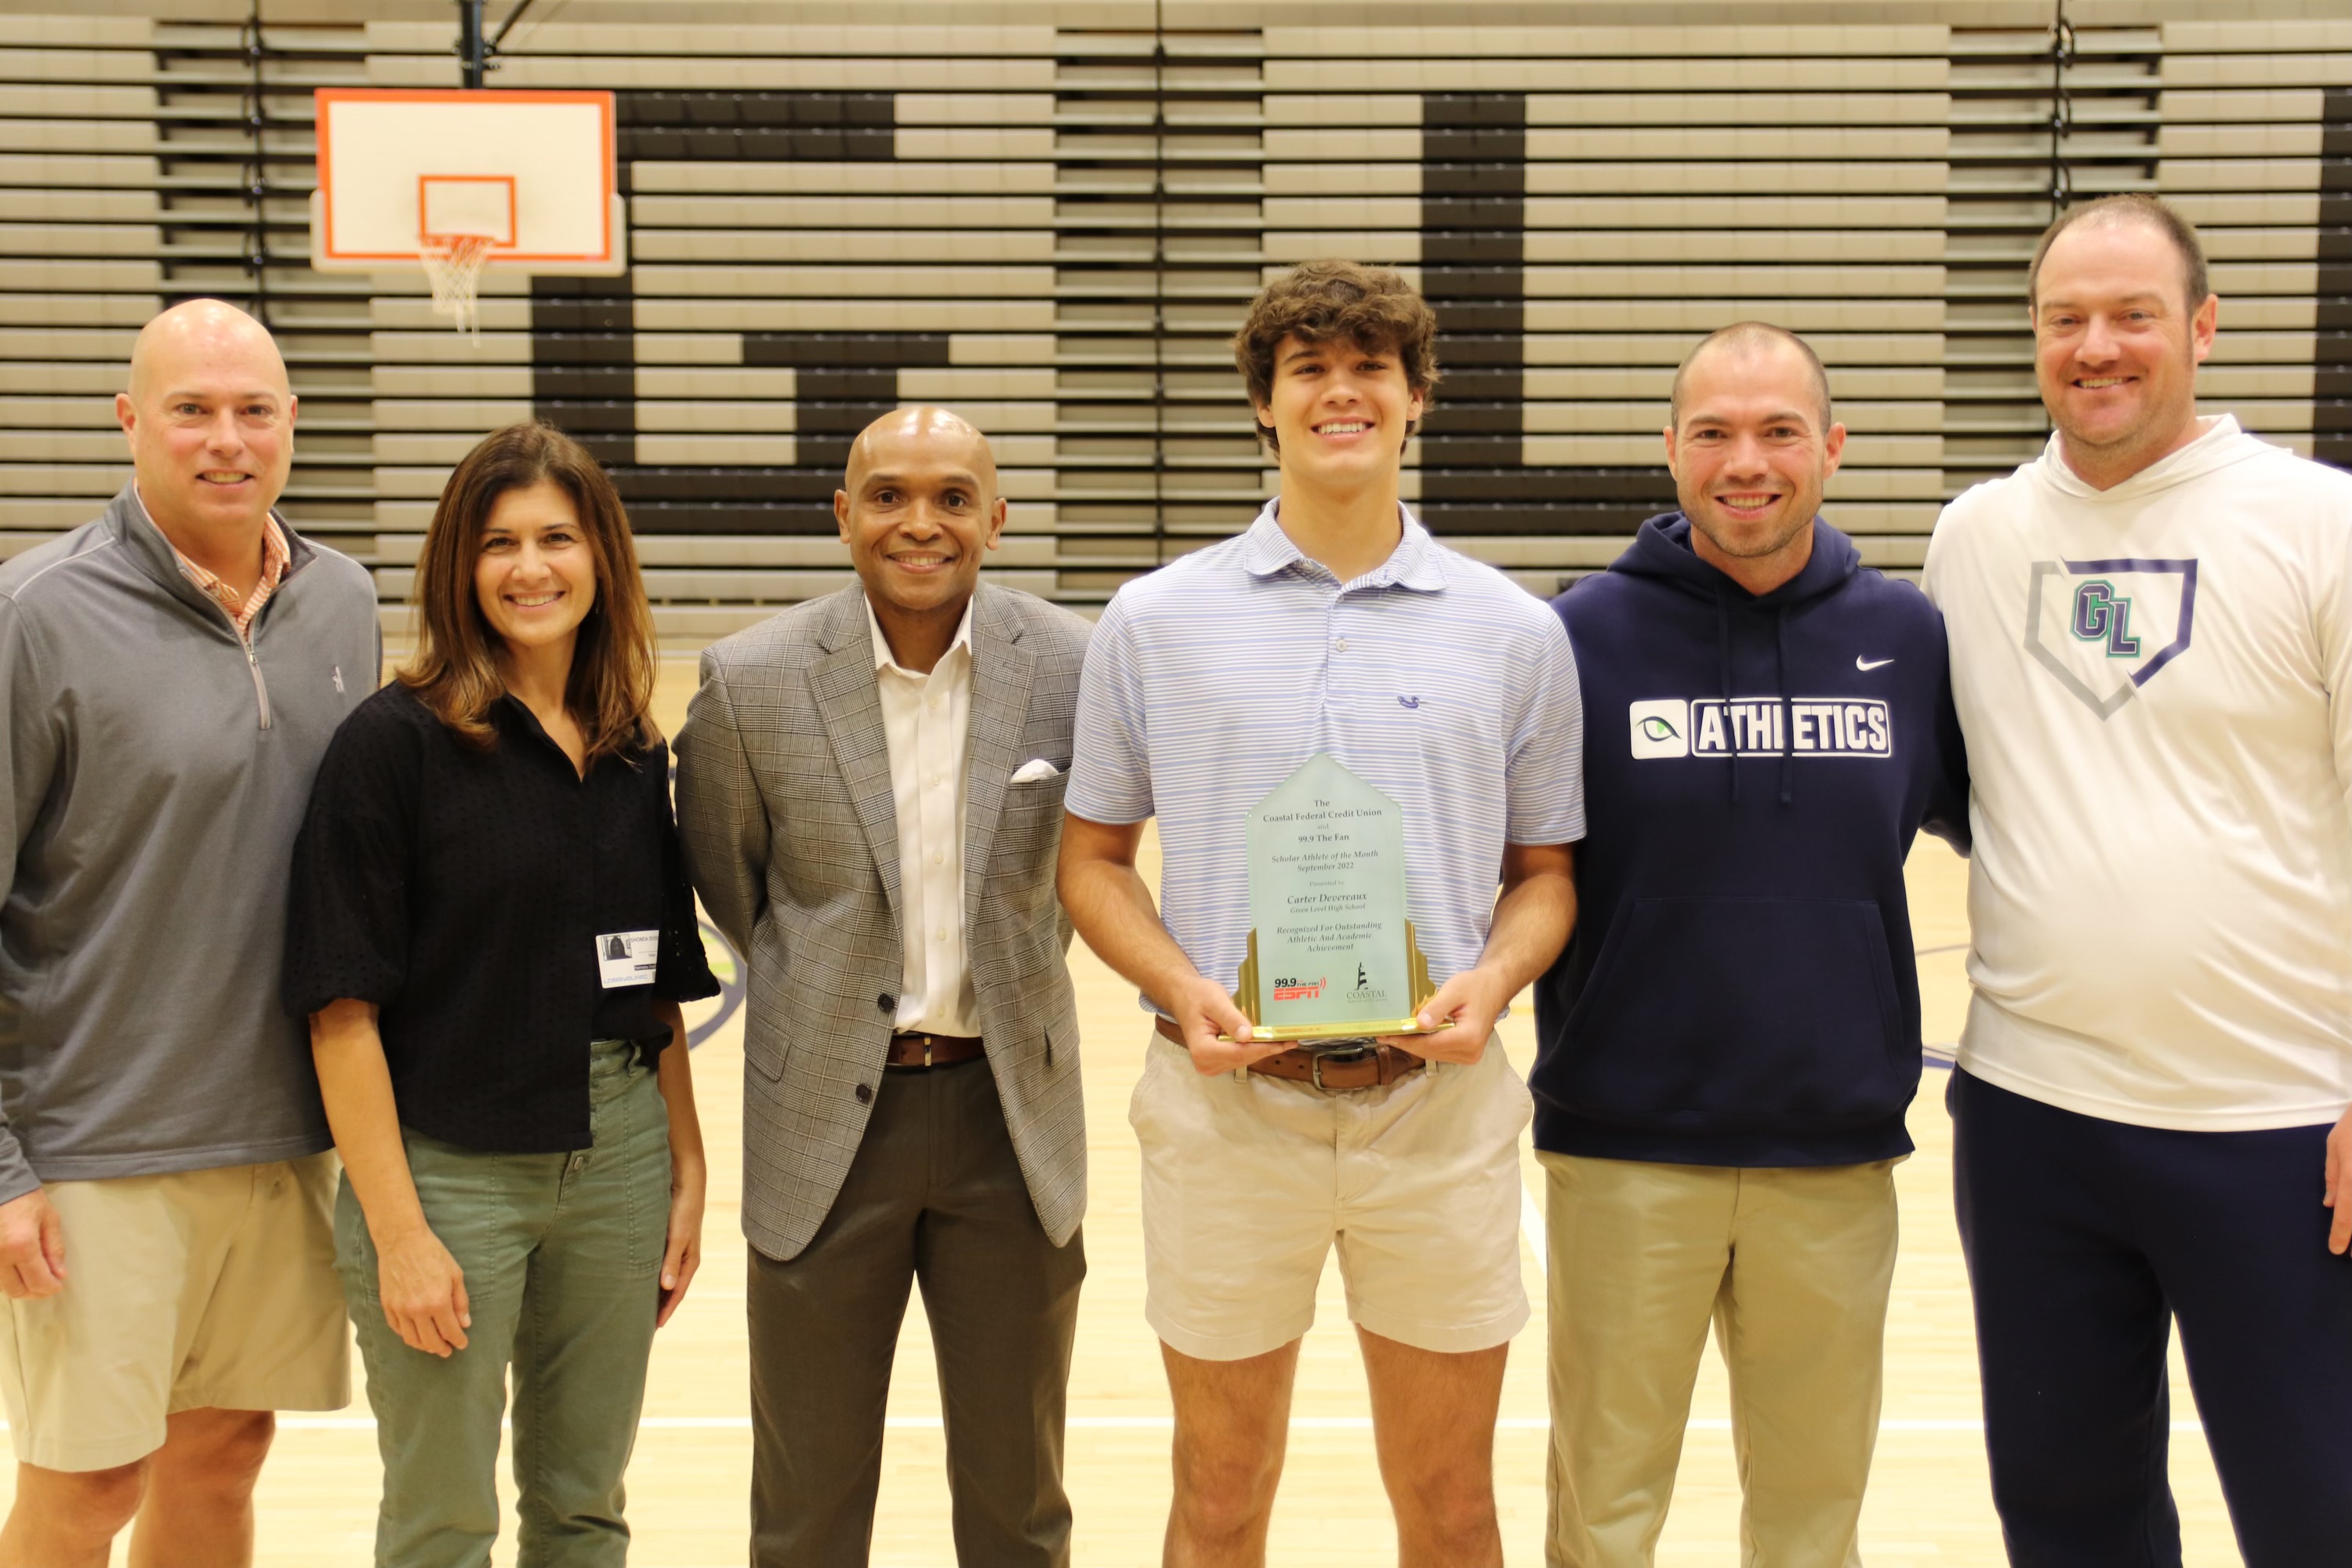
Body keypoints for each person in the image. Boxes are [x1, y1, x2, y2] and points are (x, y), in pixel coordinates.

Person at [1058, 260, 1585, 1568]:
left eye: (1369, 369)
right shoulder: (1154, 621)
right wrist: (1180, 986)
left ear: (1416, 398)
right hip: (1226, 1111)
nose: (1340, 393)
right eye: (1309, 370)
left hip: (1436, 1110)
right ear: (1264, 403)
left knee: (1454, 1507)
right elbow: (1094, 864)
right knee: (1220, 1496)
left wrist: (1493, 983)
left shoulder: (1515, 631)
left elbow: (1545, 877)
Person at [1923, 194, 2352, 1566]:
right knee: (2067, 1519)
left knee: (2319, 1512)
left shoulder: (2320, 523)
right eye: (2066, 319)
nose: (2095, 347)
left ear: (2203, 327)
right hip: (2032, 1117)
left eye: (2132, 316)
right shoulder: (1975, 537)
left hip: (2277, 1125)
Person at [1533, 323, 1969, 1567]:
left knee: (1811, 1526)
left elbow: (2021, 832)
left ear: (1832, 448)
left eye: (1780, 431)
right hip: (1626, 1151)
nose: (1747, 462)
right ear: (1671, 450)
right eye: (1715, 433)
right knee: (1605, 1521)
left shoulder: (1911, 637)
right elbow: (1514, 865)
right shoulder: (1575, 637)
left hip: (1832, 1153)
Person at [284, 421, 717, 1566]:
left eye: (557, 538)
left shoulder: (631, 749)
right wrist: (399, 1235)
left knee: (585, 1508)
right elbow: (340, 1013)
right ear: (459, 568)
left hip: (618, 1159)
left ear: (601, 556)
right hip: (448, 1173)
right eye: (499, 544)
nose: (532, 568)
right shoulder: (392, 746)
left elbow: (656, 985)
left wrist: (684, 1167)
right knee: (443, 1522)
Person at [674, 407, 1094, 1567]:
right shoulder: (750, 680)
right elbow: (731, 884)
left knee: (1020, 1509)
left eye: (953, 498)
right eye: (889, 496)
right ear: (843, 514)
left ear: (996, 519)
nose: (921, 523)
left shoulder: (1074, 667)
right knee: (804, 1512)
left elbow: (1086, 871)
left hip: (1009, 1121)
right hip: (821, 1124)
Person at [0, 299, 377, 1568]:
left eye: (254, 410)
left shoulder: (342, 600)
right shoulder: (36, 613)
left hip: (282, 1132)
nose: (228, 439)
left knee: (222, 1456)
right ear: (130, 420)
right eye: (192, 410)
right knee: (89, 1485)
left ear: (291, 422)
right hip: (94, 1143)